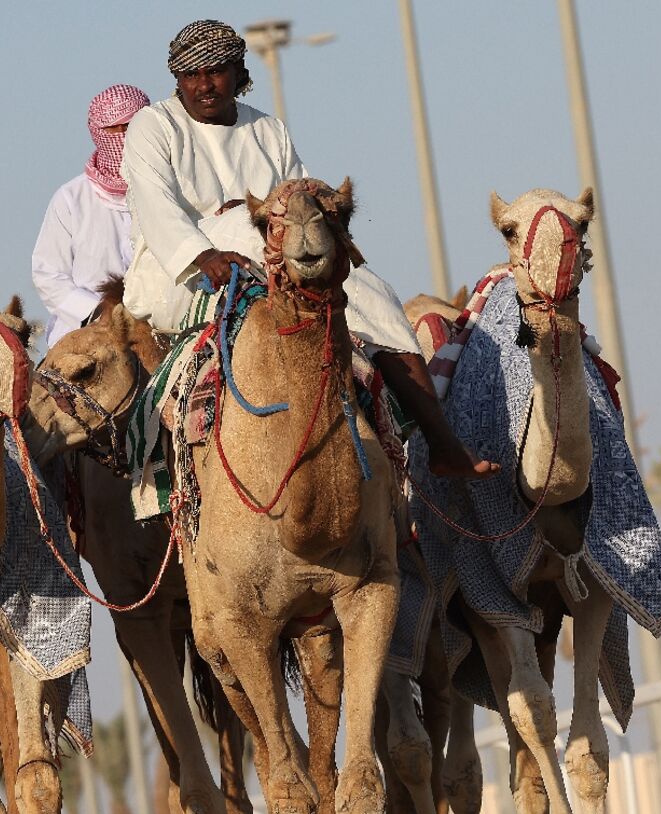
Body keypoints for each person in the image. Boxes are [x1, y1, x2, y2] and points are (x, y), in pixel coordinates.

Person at [121, 20, 496, 478]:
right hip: (184, 273)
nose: (203, 85)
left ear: (238, 72)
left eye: (215, 72)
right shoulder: (153, 126)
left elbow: (301, 200)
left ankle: (440, 443)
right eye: (191, 75)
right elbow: (157, 206)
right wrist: (203, 255)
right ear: (177, 79)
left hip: (274, 258)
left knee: (369, 289)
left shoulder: (267, 129)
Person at [32, 83, 150, 347]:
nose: (121, 135)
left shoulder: (171, 190)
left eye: (129, 126)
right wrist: (96, 312)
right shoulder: (71, 198)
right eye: (112, 128)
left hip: (159, 328)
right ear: (98, 132)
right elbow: (48, 274)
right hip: (85, 333)